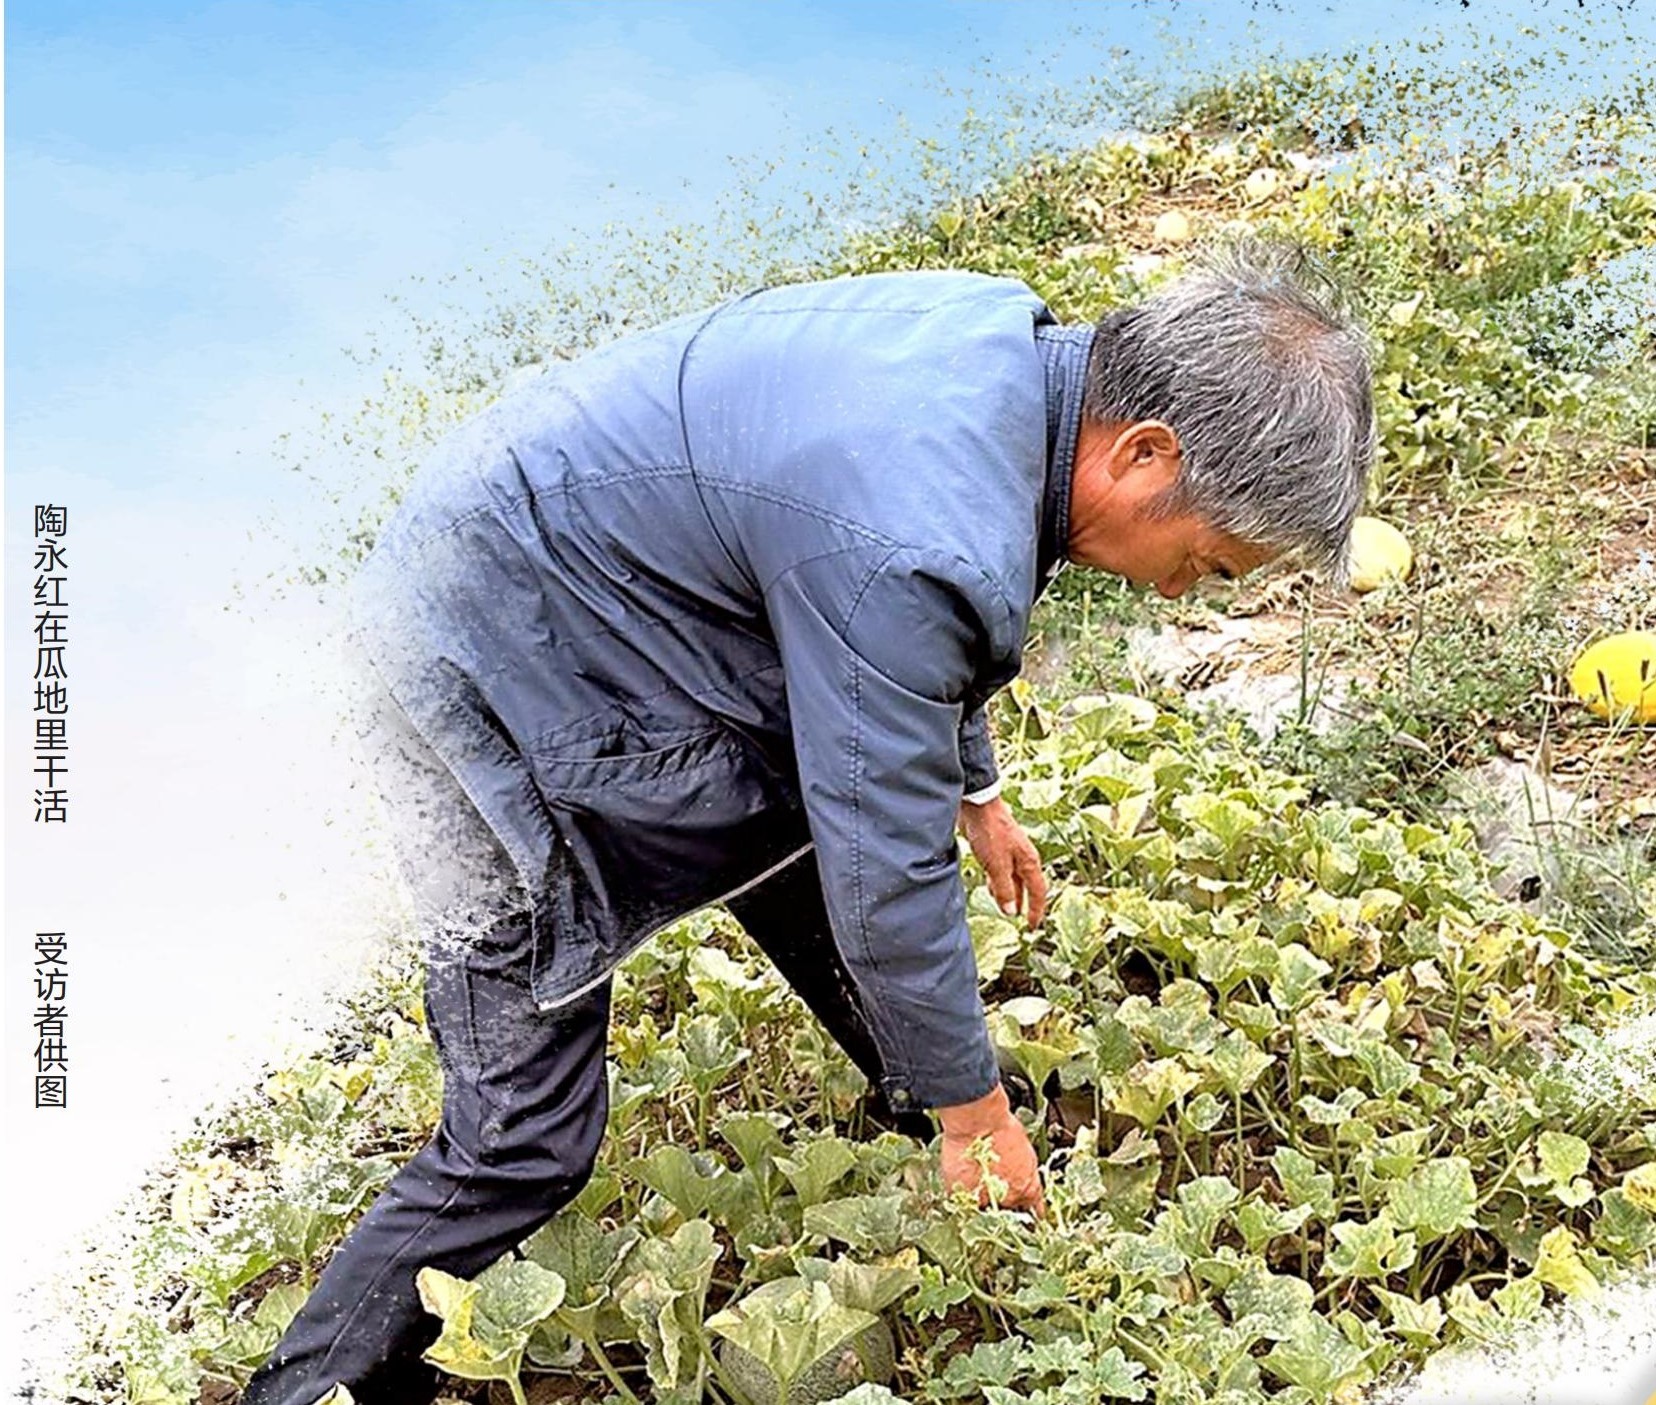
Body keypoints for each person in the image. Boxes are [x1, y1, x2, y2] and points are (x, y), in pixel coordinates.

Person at [244, 240, 1375, 1405]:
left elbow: (886, 618)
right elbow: (884, 825)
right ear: (1146, 455)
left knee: (795, 802)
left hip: (570, 564)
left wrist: (971, 788)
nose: (1187, 590)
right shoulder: (916, 534)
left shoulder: (1016, 360)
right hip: (473, 658)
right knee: (522, 1133)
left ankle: (918, 1097)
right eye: (1211, 562)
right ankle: (304, 1389)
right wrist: (979, 1114)